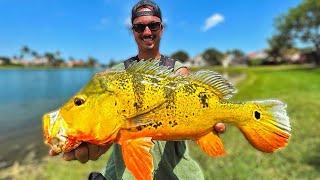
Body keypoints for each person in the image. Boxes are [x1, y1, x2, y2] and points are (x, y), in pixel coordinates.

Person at [50, 0, 226, 179]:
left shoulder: (178, 71)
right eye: (139, 27)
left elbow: (187, 100)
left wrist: (207, 122)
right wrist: (94, 137)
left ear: (162, 29)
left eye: (153, 25)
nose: (147, 32)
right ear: (133, 31)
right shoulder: (116, 73)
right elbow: (104, 119)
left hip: (174, 173)